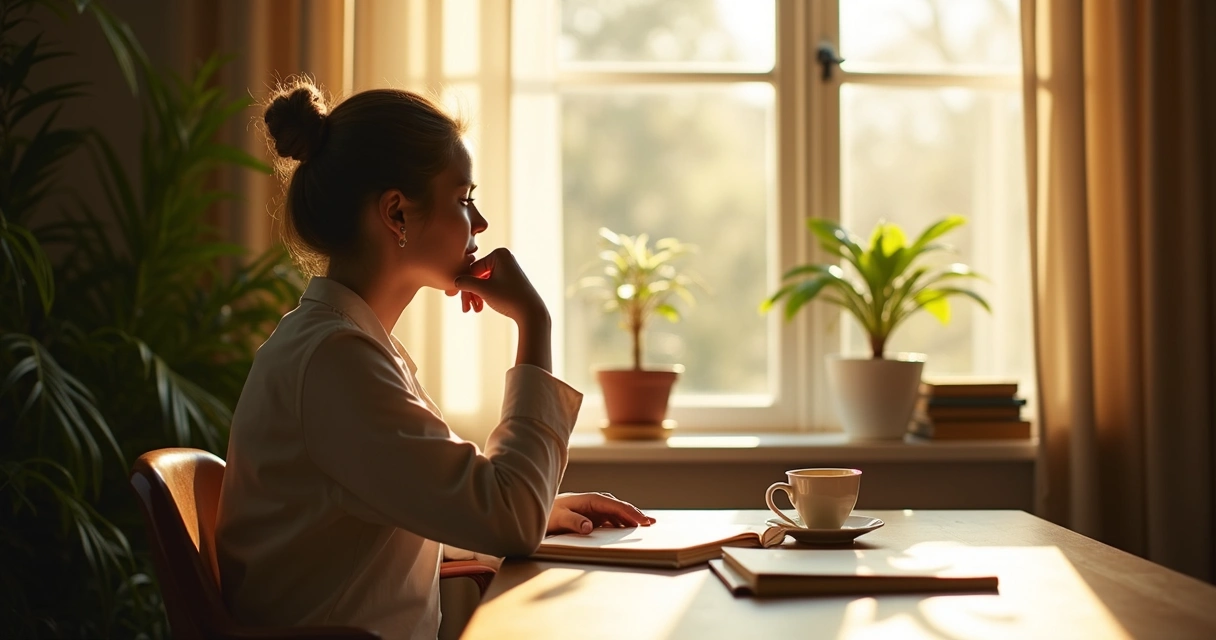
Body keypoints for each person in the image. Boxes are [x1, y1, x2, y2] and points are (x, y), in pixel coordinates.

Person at [213, 82, 653, 640]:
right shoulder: (335, 362)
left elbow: (387, 522)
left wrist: (537, 509)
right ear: (396, 213)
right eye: (464, 200)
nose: (482, 224)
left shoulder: (348, 347)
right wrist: (533, 325)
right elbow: (509, 522)